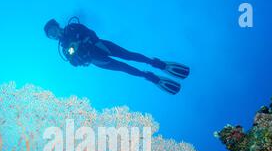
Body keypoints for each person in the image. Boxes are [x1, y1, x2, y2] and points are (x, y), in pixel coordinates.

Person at [44, 18, 190, 95]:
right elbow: (76, 63)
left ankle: (155, 63)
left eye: (54, 29)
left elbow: (91, 32)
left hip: (102, 46)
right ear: (52, 38)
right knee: (123, 68)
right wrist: (76, 57)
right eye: (51, 34)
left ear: (57, 25)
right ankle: (148, 76)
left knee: (128, 55)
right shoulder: (64, 50)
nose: (54, 33)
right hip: (98, 60)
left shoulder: (72, 27)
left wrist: (80, 41)